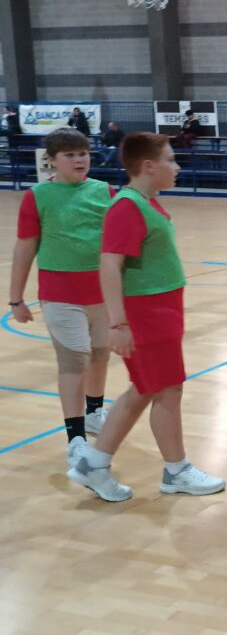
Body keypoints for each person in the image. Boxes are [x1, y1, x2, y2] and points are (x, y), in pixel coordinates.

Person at [67, 132, 225, 502]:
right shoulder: (127, 206)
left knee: (148, 388)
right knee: (165, 389)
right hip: (146, 315)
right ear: (149, 166)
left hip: (161, 312)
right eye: (170, 160)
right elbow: (109, 264)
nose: (177, 166)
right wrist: (119, 323)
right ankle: (175, 470)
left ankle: (96, 464)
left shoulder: (146, 203)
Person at [7, 128, 114, 468]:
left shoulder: (105, 191)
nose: (79, 159)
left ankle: (94, 413)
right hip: (60, 295)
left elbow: (117, 245)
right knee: (74, 362)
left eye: (83, 153)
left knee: (100, 356)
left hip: (103, 294)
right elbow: (25, 248)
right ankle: (75, 438)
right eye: (70, 155)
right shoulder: (38, 196)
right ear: (51, 160)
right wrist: (16, 299)